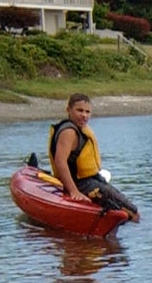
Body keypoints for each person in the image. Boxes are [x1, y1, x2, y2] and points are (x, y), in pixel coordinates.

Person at [48, 94, 140, 223]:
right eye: (79, 110)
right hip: (81, 184)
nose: (84, 115)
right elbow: (60, 161)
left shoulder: (81, 130)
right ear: (68, 110)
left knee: (128, 208)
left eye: (87, 112)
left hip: (92, 180)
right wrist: (74, 191)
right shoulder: (69, 132)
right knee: (133, 214)